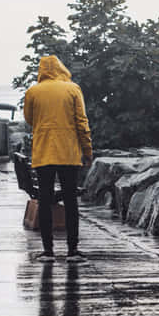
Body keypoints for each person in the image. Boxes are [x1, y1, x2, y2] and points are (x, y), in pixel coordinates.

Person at [24, 55, 93, 262]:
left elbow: (30, 119)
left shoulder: (33, 91)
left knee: (44, 202)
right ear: (61, 68)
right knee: (71, 201)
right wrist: (87, 150)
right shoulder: (72, 89)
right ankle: (72, 250)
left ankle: (48, 251)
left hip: (44, 153)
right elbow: (82, 122)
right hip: (68, 153)